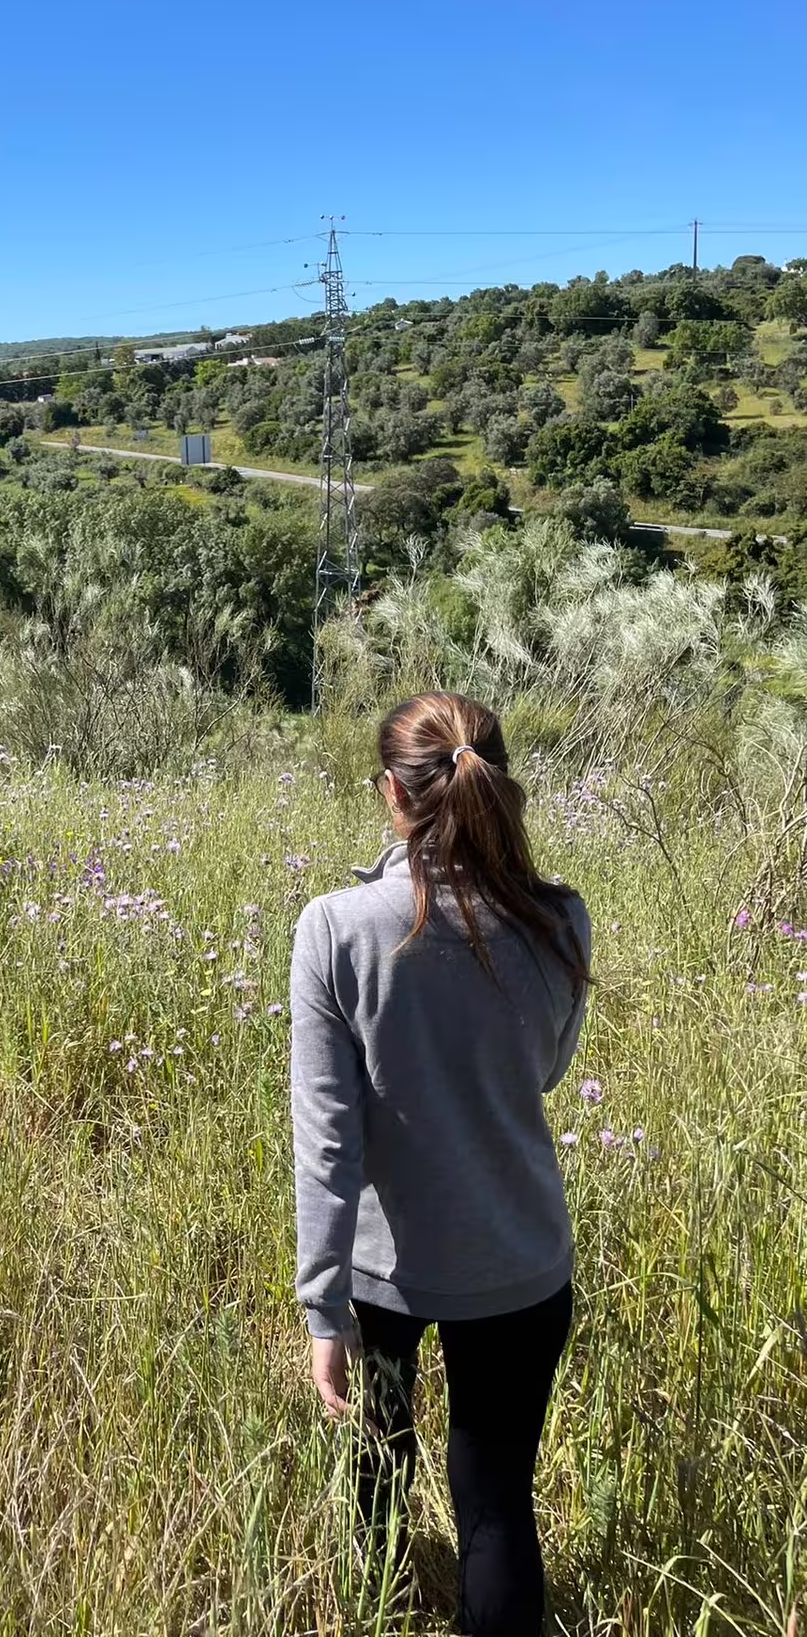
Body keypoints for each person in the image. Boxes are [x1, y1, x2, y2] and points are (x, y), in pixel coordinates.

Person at [290, 691, 591, 1637]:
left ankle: (379, 1616)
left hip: (386, 1271)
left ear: (392, 793)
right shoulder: (557, 919)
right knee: (498, 1504)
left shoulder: (337, 928)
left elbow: (329, 1143)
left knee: (377, 1466)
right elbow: (544, 1071)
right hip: (521, 1259)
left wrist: (320, 1305)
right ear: (499, 784)